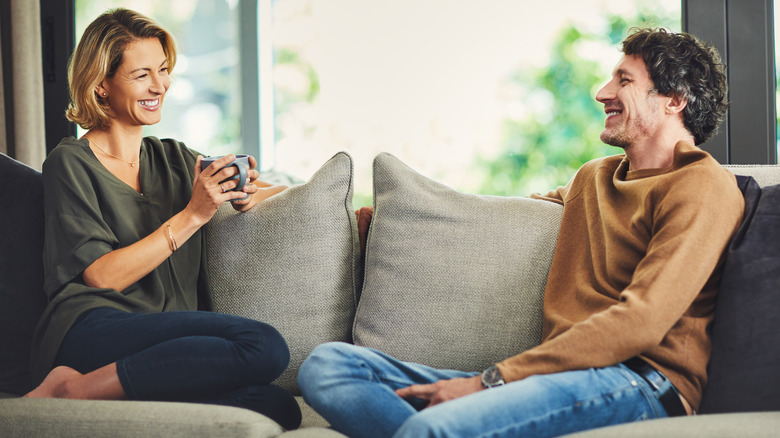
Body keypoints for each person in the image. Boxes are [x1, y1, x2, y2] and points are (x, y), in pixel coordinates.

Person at [297, 28, 745, 437]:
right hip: (556, 379)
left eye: (624, 81)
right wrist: (372, 222)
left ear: (675, 99)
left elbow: (639, 323)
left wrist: (490, 381)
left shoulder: (701, 186)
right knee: (328, 366)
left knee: (432, 429)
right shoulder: (595, 177)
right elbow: (494, 213)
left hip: (641, 381)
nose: (602, 92)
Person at [25, 8, 301, 430]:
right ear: (101, 85)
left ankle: (111, 394)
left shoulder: (173, 157)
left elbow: (275, 194)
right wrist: (194, 214)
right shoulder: (70, 162)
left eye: (164, 70)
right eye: (142, 76)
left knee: (277, 407)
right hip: (92, 327)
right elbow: (102, 276)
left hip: (161, 336)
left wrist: (248, 190)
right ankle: (70, 389)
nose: (160, 86)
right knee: (263, 345)